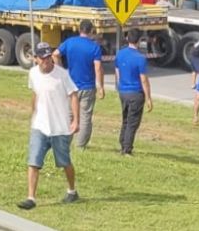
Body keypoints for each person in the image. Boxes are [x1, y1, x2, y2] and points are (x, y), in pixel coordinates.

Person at [18, 42, 80, 210]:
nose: (46, 60)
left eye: (48, 57)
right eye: (43, 58)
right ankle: (31, 198)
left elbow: (74, 96)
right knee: (33, 161)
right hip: (40, 126)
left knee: (64, 162)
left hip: (60, 127)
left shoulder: (62, 75)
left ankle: (72, 191)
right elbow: (36, 93)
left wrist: (75, 120)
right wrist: (33, 114)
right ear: (36, 59)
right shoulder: (33, 74)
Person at [52, 19, 105, 149]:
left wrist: (61, 70)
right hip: (88, 86)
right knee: (85, 116)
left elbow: (55, 54)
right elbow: (97, 68)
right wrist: (100, 86)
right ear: (91, 31)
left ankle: (65, 141)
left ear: (79, 29)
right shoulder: (94, 47)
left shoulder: (70, 42)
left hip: (71, 85)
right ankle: (81, 145)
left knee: (70, 114)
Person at [115, 28, 153, 156]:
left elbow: (117, 72)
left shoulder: (120, 54)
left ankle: (122, 142)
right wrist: (148, 98)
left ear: (127, 38)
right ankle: (127, 148)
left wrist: (119, 86)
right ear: (139, 41)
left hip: (123, 91)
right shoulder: (140, 58)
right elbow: (144, 80)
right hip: (136, 93)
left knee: (125, 119)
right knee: (133, 122)